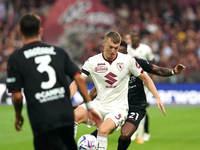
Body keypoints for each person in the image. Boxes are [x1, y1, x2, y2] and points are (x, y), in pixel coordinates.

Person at [6, 13, 101, 150]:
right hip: (65, 114)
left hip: (42, 117)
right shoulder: (57, 51)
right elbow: (79, 78)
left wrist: (18, 115)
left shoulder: (16, 58)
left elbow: (17, 96)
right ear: (40, 30)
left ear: (20, 31)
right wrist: (89, 106)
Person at [70, 31, 166, 150]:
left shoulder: (128, 60)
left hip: (118, 108)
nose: (113, 51)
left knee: (103, 130)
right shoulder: (92, 61)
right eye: (110, 47)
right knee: (72, 117)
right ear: (104, 43)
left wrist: (157, 97)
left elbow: (146, 78)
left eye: (116, 48)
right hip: (98, 104)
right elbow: (77, 82)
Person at [89, 40, 186, 150]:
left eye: (121, 53)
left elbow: (158, 70)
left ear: (126, 53)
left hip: (136, 106)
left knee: (125, 134)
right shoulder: (110, 67)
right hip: (117, 106)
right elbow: (96, 89)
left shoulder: (136, 62)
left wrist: (173, 71)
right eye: (116, 52)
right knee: (98, 134)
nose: (118, 55)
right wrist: (83, 105)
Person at [127, 30, 155, 143]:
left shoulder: (146, 49)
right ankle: (133, 132)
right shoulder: (127, 49)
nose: (134, 39)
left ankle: (141, 134)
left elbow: (152, 62)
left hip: (143, 81)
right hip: (130, 81)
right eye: (132, 37)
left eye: (136, 36)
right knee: (130, 107)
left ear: (139, 38)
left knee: (142, 107)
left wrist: (150, 77)